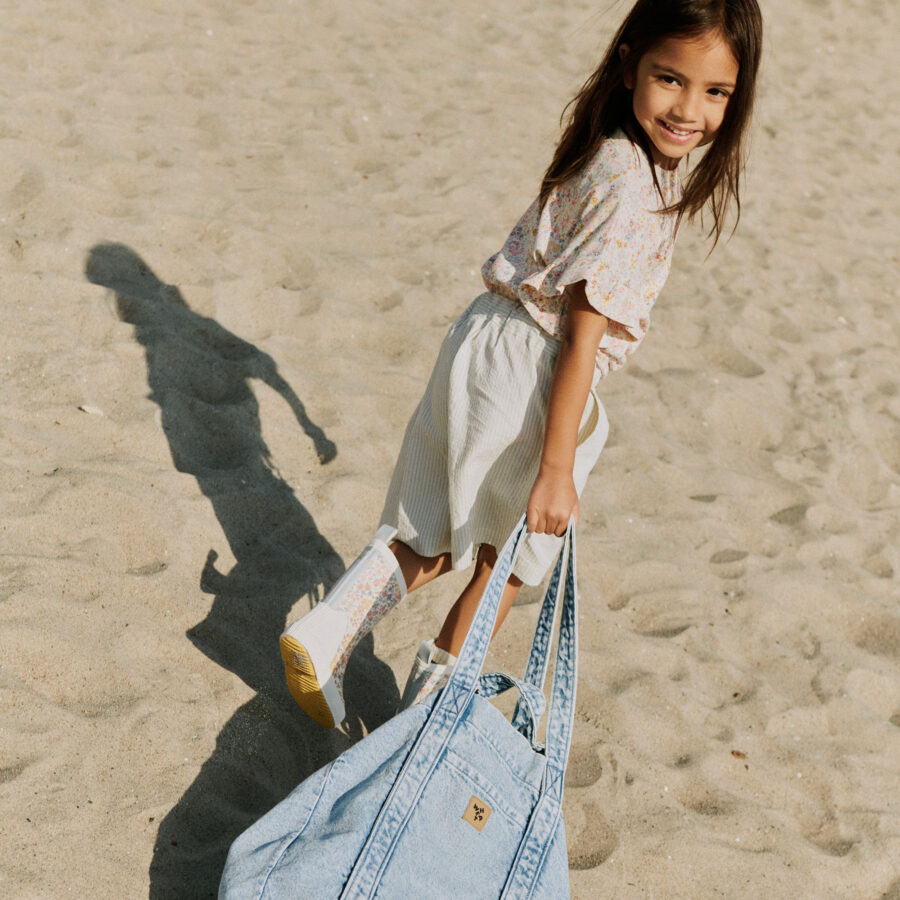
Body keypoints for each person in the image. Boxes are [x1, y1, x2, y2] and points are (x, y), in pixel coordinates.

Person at [280, 0, 763, 728]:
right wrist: (558, 467)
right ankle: (426, 714)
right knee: (509, 560)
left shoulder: (605, 148)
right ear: (631, 63)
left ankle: (329, 630)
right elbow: (582, 333)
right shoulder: (633, 188)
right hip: (536, 367)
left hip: (483, 337)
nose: (688, 109)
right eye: (671, 79)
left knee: (433, 526)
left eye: (715, 91)